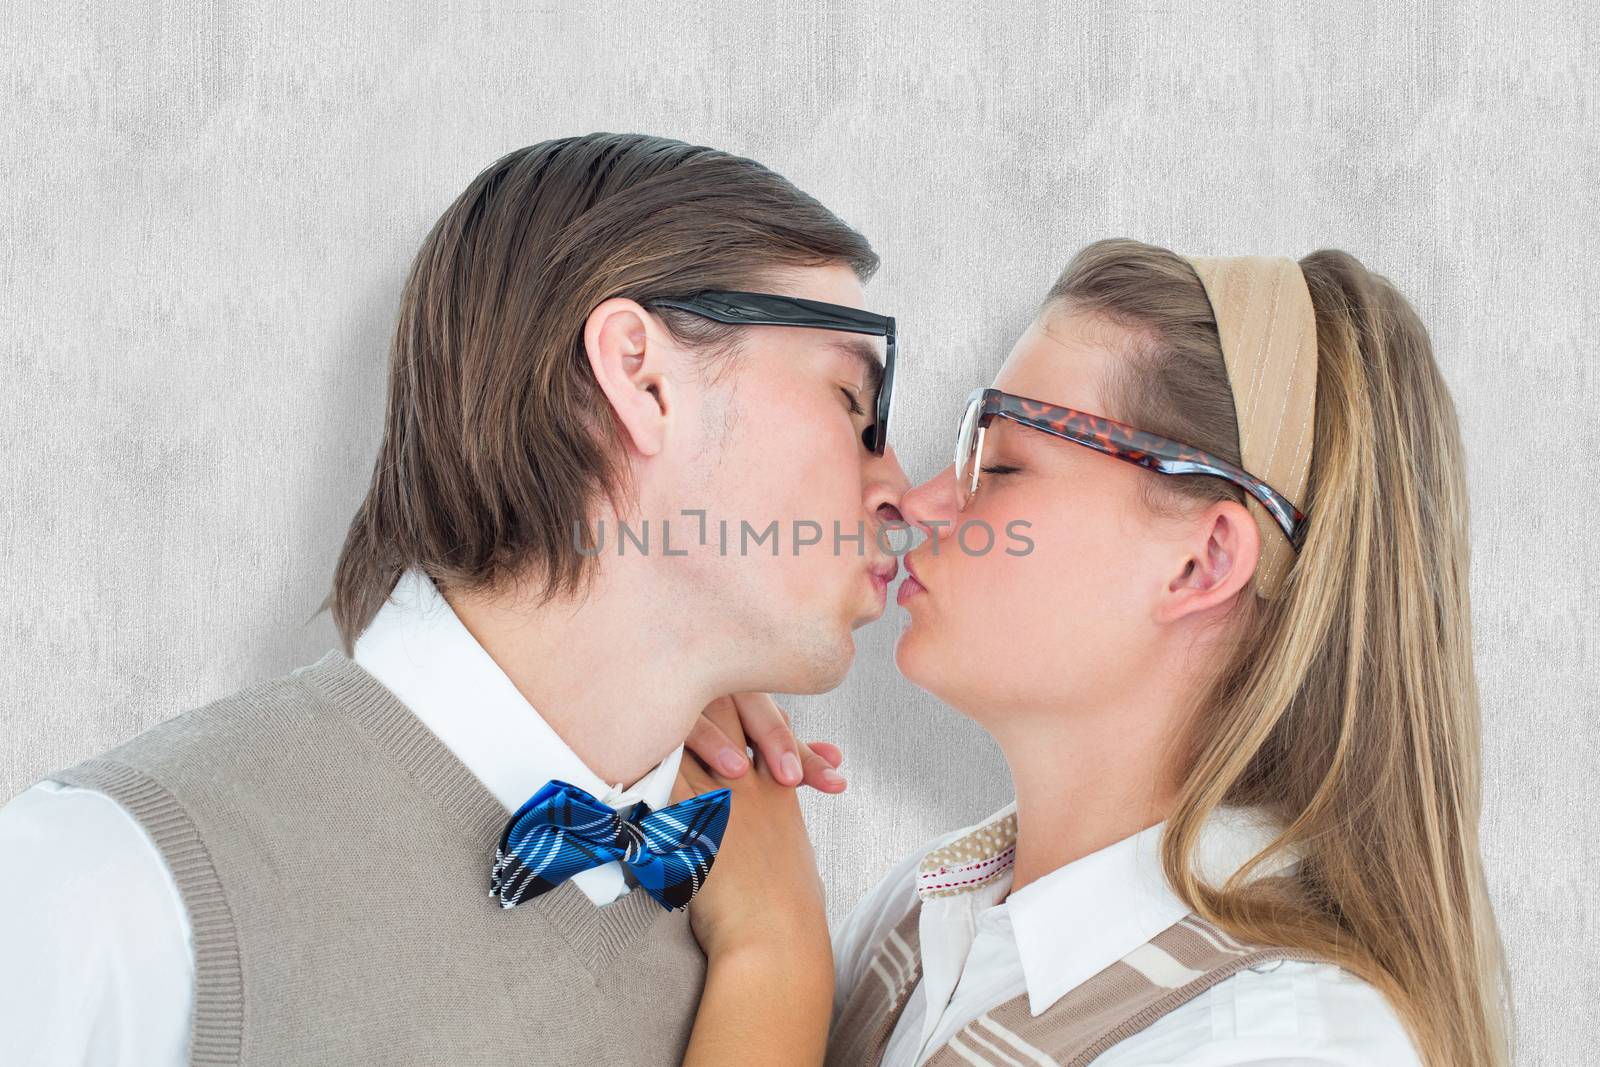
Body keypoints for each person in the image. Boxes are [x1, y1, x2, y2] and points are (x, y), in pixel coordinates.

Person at [0, 132, 911, 1065]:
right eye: (852, 400)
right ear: (642, 377)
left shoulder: (790, 928)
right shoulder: (101, 886)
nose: (902, 490)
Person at [675, 239, 1513, 1066]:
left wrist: (773, 944)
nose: (921, 502)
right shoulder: (923, 919)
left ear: (1202, 561)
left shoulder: (1284, 1041)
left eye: (1000, 463)